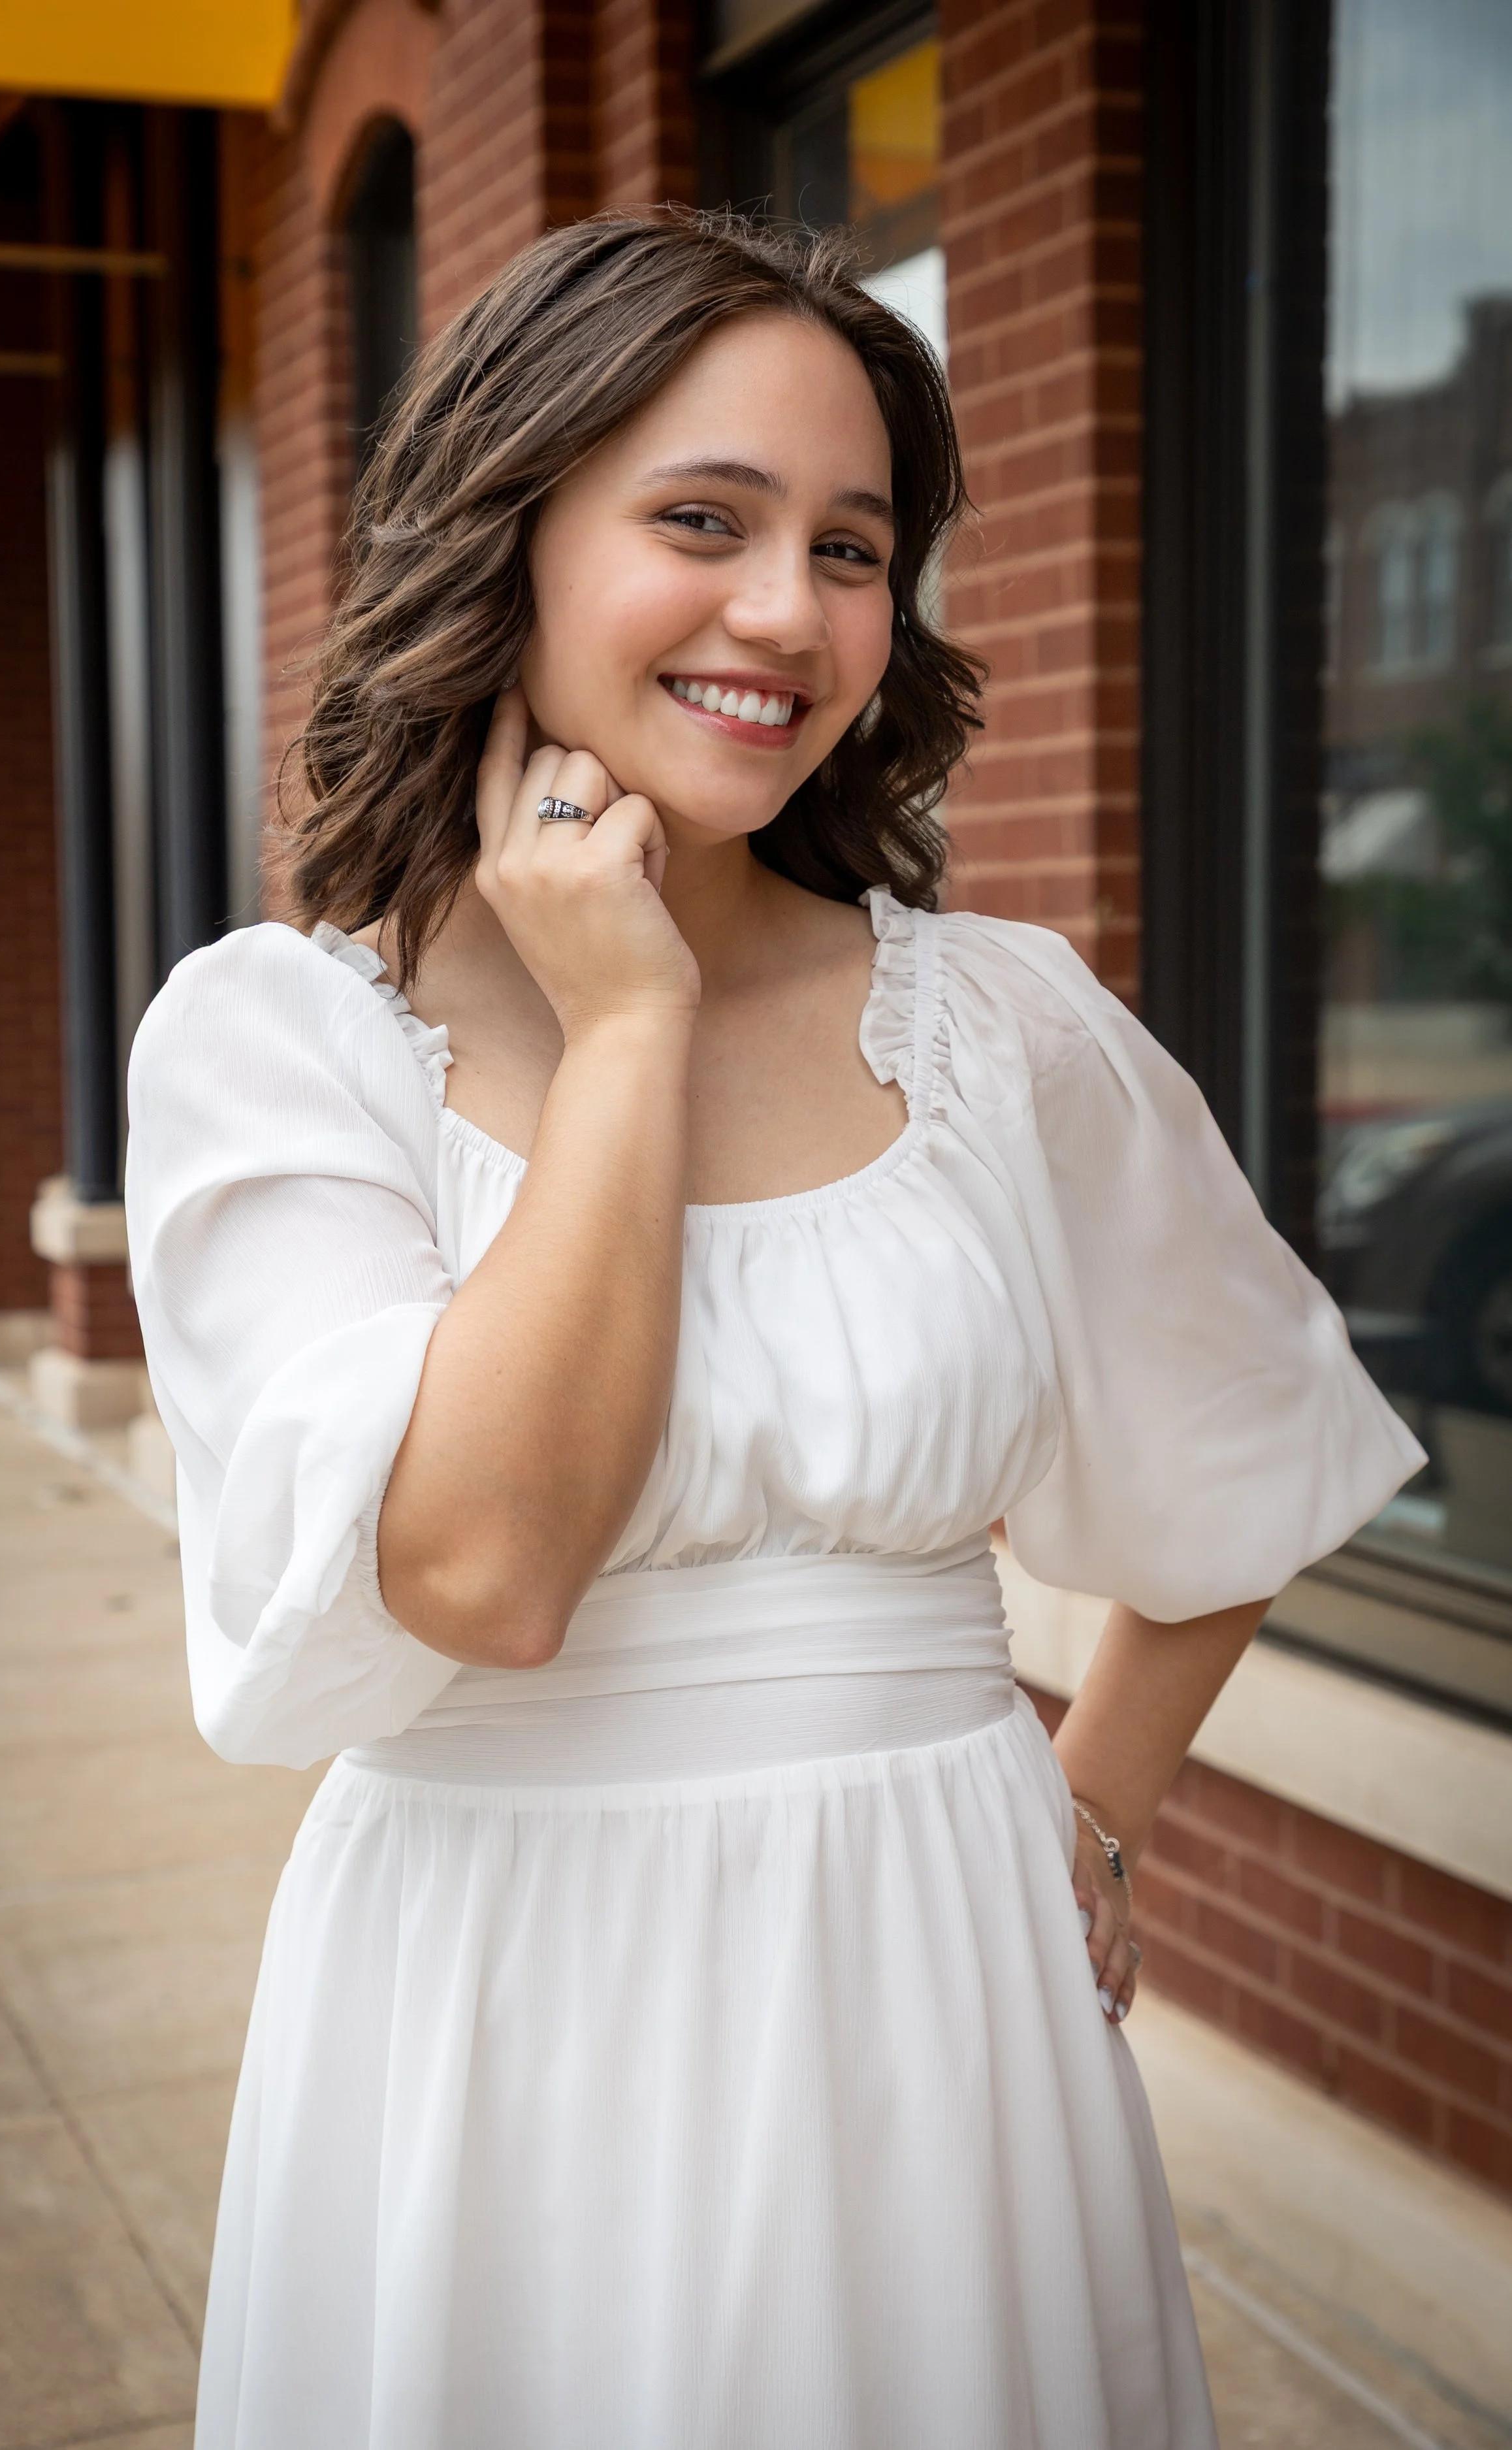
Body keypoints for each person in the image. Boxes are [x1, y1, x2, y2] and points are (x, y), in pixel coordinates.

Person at [125, 211, 1423, 2450]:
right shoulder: (281, 1049)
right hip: (496, 2006)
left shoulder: (1000, 1025)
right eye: (701, 520)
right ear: (508, 532)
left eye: (848, 546)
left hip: (944, 1994)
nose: (784, 613)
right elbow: (480, 1568)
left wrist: (1084, 1817)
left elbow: (1243, 1455)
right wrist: (627, 1018)